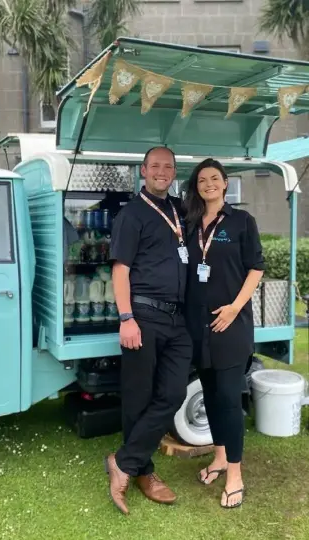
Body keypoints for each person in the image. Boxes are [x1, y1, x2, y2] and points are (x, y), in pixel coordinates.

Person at [104, 146, 193, 514]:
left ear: (174, 173)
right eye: (155, 166)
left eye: (168, 167)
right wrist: (127, 319)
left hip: (177, 320)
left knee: (172, 394)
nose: (161, 171)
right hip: (142, 316)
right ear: (143, 170)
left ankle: (124, 461)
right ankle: (144, 471)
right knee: (139, 397)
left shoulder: (179, 210)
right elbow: (120, 270)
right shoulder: (133, 214)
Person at [182, 158, 264, 509]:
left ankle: (235, 475)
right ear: (196, 186)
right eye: (203, 179)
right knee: (212, 395)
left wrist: (234, 307)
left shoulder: (242, 221)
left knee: (230, 401)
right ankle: (218, 457)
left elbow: (256, 268)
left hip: (231, 325)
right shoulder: (189, 224)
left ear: (226, 183)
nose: (209, 184)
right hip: (198, 327)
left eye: (215, 178)